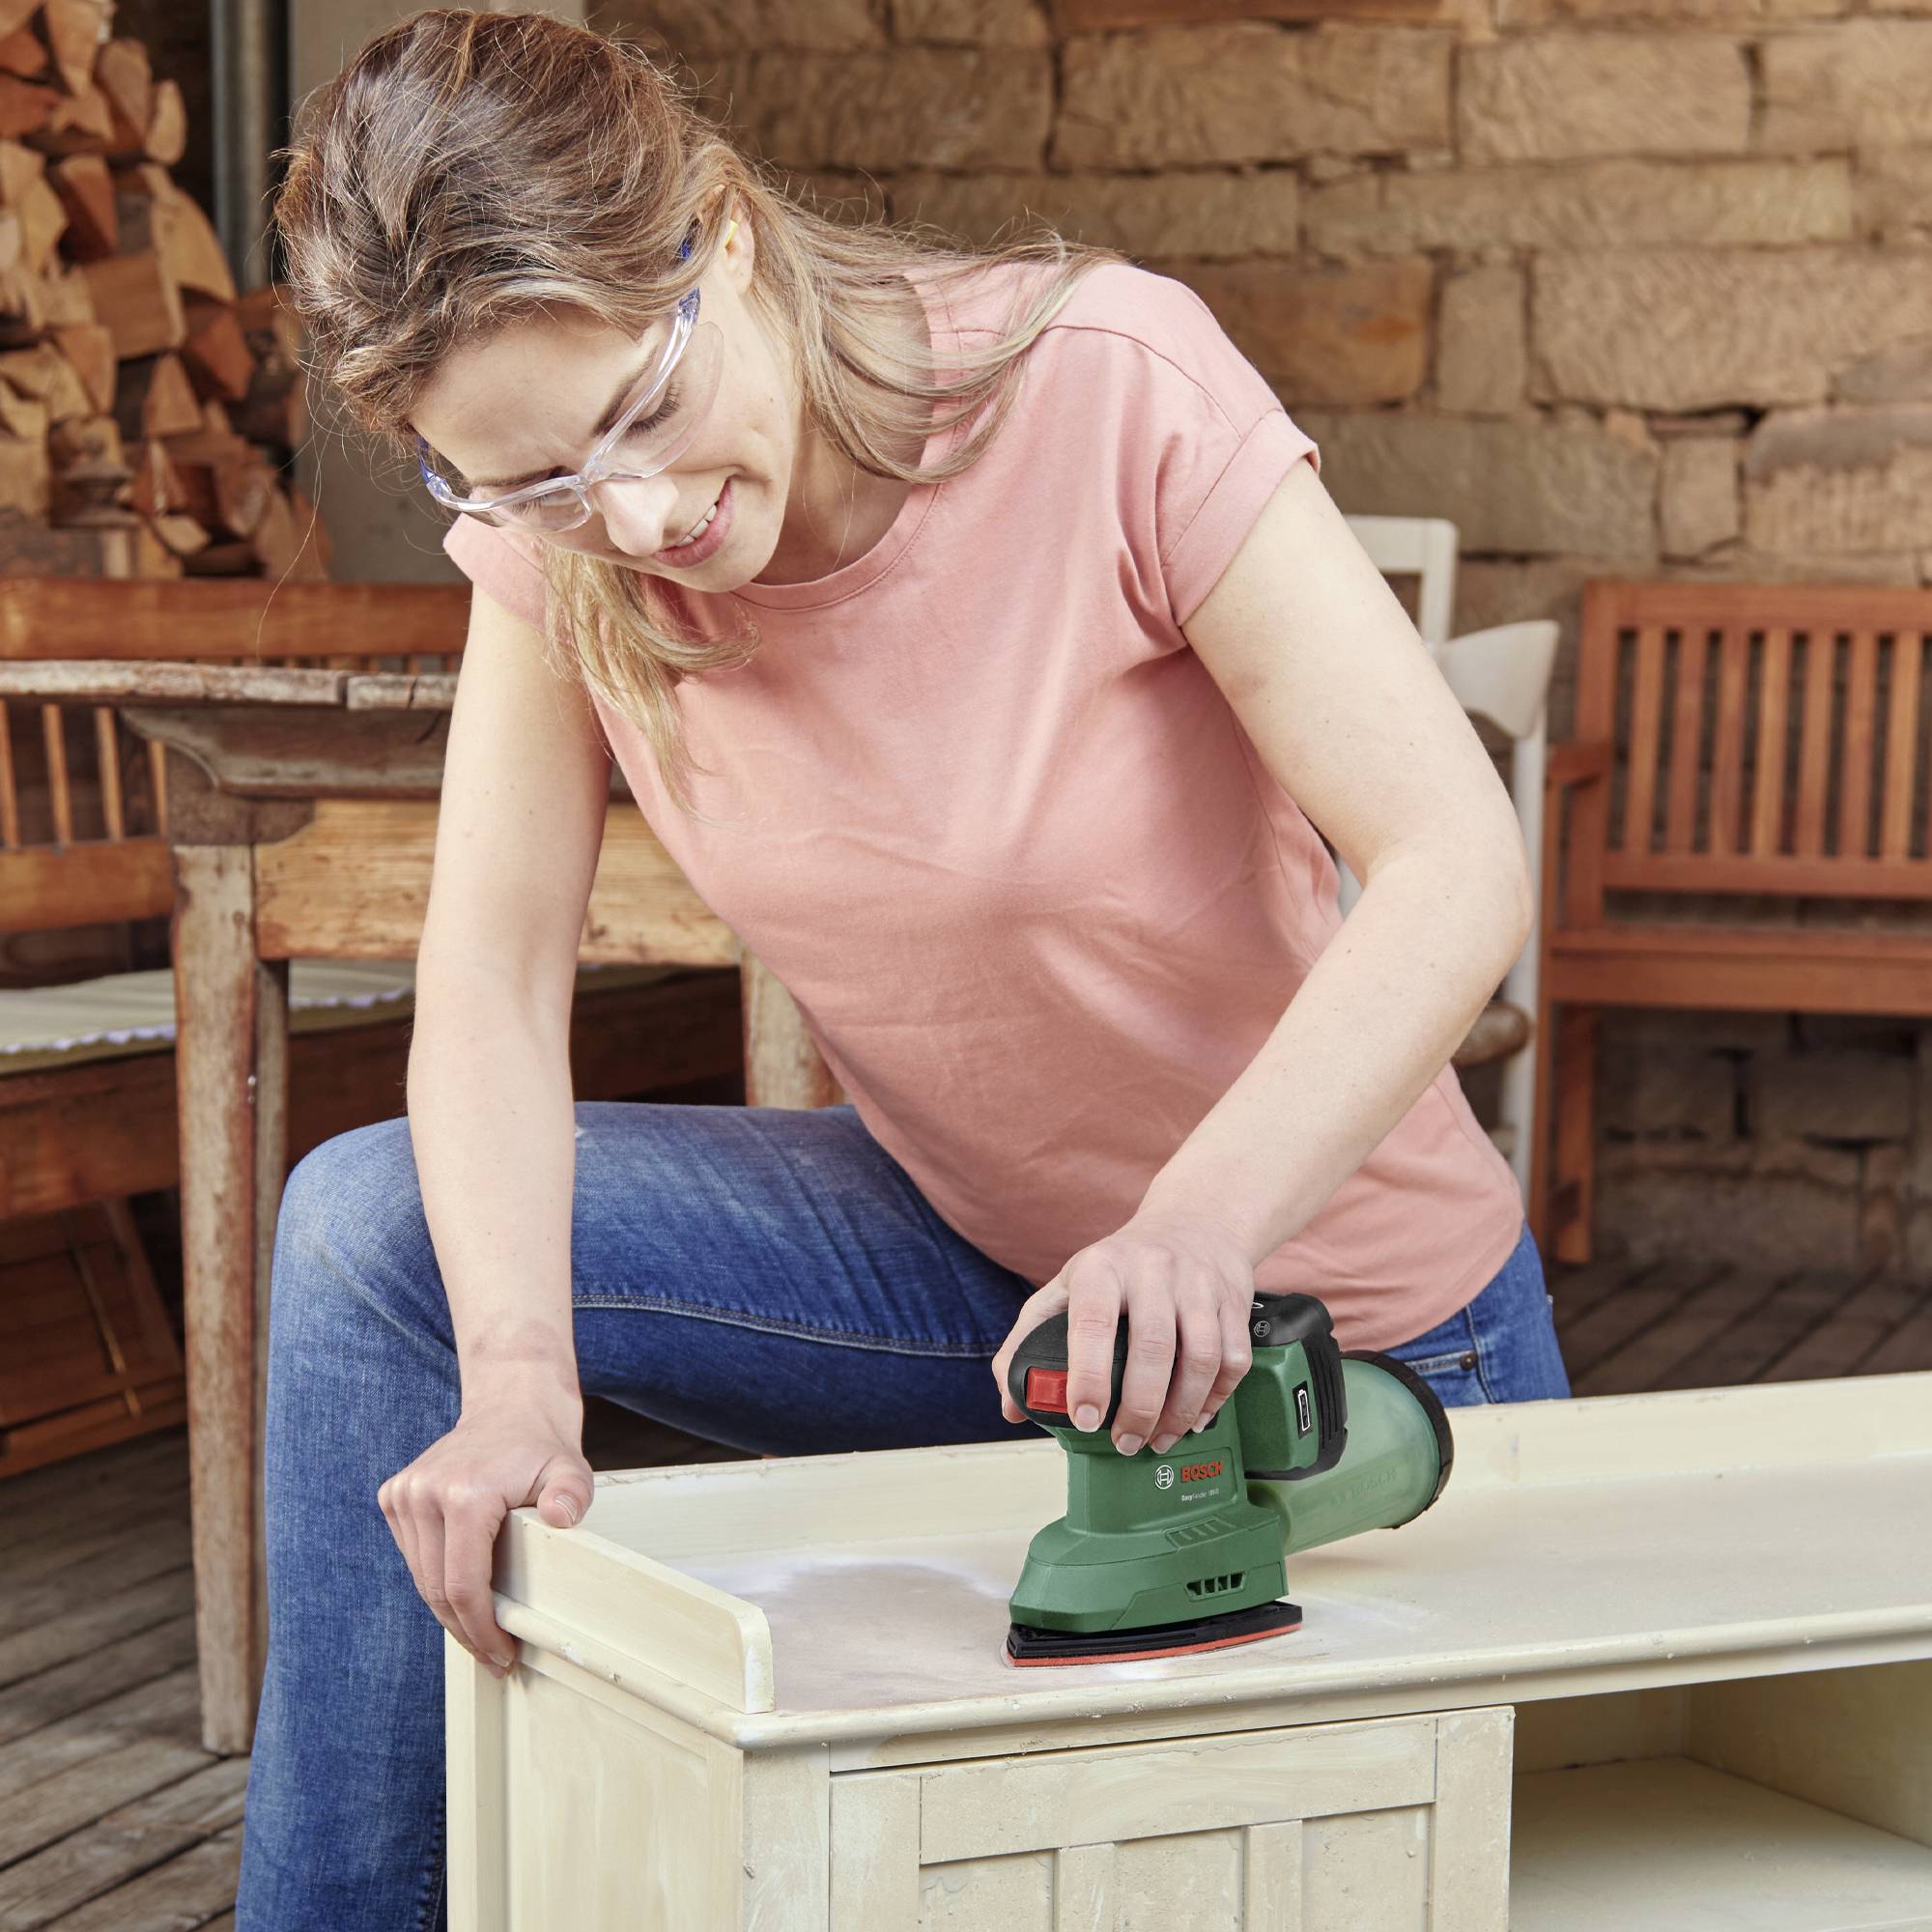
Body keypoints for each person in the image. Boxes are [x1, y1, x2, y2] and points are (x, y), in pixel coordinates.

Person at [238, 8, 1571, 1925]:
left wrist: (1197, 1225)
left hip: (1335, 1335)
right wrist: (518, 1375)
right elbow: (494, 985)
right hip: (981, 1281)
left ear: (720, 230)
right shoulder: (569, 548)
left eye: (639, 412)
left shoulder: (1105, 387)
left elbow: (1451, 860)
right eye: (527, 483)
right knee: (369, 1235)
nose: (635, 518)